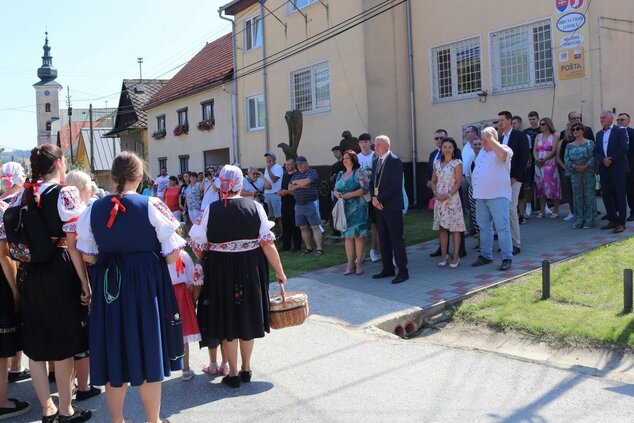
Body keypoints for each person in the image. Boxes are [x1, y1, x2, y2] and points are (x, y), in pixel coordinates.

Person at [76, 151, 185, 423]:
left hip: (110, 288)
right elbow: (172, 256)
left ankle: (117, 420)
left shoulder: (92, 209)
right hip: (146, 288)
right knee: (148, 350)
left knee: (116, 350)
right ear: (139, 176)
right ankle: (153, 420)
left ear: (113, 178)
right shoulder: (152, 205)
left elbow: (88, 256)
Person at [6, 145, 92, 422]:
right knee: (64, 342)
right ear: (58, 163)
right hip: (59, 271)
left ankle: (47, 408)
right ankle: (66, 409)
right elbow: (72, 242)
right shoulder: (65, 193)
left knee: (36, 342)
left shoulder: (21, 195)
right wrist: (84, 282)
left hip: (29, 274)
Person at [189, 165, 287, 388]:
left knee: (227, 318)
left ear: (221, 183)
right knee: (247, 316)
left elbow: (197, 246)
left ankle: (232, 373)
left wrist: (208, 253)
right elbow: (267, 244)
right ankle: (246, 368)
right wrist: (280, 272)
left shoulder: (210, 210)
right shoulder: (255, 207)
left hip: (220, 271)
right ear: (240, 185)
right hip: (249, 269)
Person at [63, 170, 102, 402]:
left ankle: (69, 379)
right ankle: (84, 385)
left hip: (62, 272)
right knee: (81, 328)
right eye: (89, 185)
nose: (92, 189)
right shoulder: (80, 213)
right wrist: (86, 282)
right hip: (79, 271)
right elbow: (77, 248)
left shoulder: (61, 209)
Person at [0, 163, 31, 420]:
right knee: (2, 343)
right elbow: (4, 256)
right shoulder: (4, 208)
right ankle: (2, 401)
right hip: (1, 280)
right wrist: (15, 289)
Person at [471, 127, 514, 271]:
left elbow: (502, 155)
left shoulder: (504, 148)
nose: (483, 142)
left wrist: (491, 139)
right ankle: (485, 255)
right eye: (482, 138)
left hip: (498, 196)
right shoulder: (482, 151)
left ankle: (507, 257)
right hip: (481, 196)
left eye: (486, 138)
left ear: (494, 138)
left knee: (502, 228)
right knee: (484, 227)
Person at [370, 135, 409, 284]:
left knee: (396, 239)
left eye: (379, 144)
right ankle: (387, 268)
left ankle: (403, 271)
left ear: (387, 146)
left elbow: (395, 185)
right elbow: (372, 182)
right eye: (375, 144)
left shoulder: (394, 161)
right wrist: (374, 199)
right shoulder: (376, 161)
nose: (376, 146)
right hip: (379, 207)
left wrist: (379, 199)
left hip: (392, 207)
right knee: (383, 239)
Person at [497, 111, 529, 256]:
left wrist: (515, 177)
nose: (500, 123)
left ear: (509, 121)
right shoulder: (500, 137)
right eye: (499, 121)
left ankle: (516, 243)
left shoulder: (519, 135)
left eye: (502, 120)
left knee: (511, 209)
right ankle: (506, 242)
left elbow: (524, 158)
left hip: (514, 179)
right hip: (501, 179)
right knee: (503, 211)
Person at [168, 249, 202, 381]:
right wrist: (192, 299)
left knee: (167, 331)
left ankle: (164, 367)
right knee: (183, 333)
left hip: (165, 294)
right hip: (181, 294)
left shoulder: (158, 253)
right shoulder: (182, 254)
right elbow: (191, 278)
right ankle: (186, 369)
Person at [431, 138, 465, 268]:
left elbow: (458, 183)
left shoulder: (457, 163)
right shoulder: (437, 163)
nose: (447, 149)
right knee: (442, 228)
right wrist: (436, 193)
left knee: (455, 228)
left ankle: (456, 256)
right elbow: (433, 181)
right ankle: (444, 255)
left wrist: (448, 195)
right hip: (439, 200)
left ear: (453, 148)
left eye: (450, 146)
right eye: (445, 146)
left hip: (452, 199)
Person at [334, 150, 369, 275]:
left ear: (353, 159)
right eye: (343, 158)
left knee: (358, 236)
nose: (345, 160)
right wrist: (337, 194)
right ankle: (350, 264)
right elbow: (335, 189)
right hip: (345, 210)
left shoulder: (359, 172)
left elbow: (365, 188)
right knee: (348, 237)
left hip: (358, 208)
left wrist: (351, 194)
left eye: (347, 158)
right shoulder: (340, 174)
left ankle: (359, 262)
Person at [595, 110, 629, 233]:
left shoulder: (620, 131)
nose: (602, 119)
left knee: (619, 195)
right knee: (606, 195)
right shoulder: (599, 134)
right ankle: (612, 219)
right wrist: (603, 159)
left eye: (604, 117)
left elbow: (624, 147)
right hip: (604, 168)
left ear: (611, 119)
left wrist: (612, 159)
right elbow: (596, 150)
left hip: (618, 168)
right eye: (600, 117)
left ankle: (621, 223)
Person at [559, 111, 596, 221]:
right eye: (572, 118)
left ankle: (590, 216)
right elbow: (563, 154)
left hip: (587, 170)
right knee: (575, 194)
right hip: (572, 170)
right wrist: (572, 167)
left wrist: (586, 166)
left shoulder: (588, 131)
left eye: (577, 117)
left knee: (588, 194)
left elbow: (593, 151)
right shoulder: (564, 136)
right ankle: (576, 215)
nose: (575, 120)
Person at [288, 156, 324, 256]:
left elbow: (307, 182)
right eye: (298, 165)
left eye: (301, 164)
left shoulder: (312, 172)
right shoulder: (296, 175)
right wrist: (300, 185)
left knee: (315, 226)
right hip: (298, 204)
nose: (299, 166)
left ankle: (319, 249)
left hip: (311, 203)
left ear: (306, 163)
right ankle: (308, 248)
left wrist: (297, 184)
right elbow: (290, 188)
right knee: (303, 227)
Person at [357, 133, 379, 262]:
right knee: (361, 224)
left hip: (374, 195)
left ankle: (373, 250)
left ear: (370, 142)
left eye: (366, 142)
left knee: (375, 223)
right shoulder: (357, 158)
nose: (364, 144)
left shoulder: (375, 156)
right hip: (360, 196)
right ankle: (361, 253)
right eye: (361, 142)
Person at [534, 118, 561, 218]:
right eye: (540, 124)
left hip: (550, 163)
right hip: (539, 164)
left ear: (548, 125)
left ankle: (556, 210)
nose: (541, 126)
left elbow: (554, 150)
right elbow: (534, 150)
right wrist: (537, 159)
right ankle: (542, 210)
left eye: (543, 124)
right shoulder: (538, 136)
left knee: (551, 185)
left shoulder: (555, 136)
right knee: (540, 186)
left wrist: (544, 159)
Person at [278, 159, 302, 251]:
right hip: (284, 203)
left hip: (294, 203)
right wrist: (280, 191)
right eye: (285, 164)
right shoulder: (284, 175)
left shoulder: (297, 176)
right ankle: (286, 246)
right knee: (286, 225)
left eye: (289, 164)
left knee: (295, 225)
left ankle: (297, 246)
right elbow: (283, 187)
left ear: (294, 165)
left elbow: (298, 191)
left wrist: (287, 192)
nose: (287, 166)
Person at [522, 111, 541, 219]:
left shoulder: (542, 130)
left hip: (541, 160)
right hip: (529, 161)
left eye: (533, 119)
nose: (532, 121)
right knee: (528, 185)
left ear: (538, 119)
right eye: (530, 119)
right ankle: (528, 206)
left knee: (540, 183)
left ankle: (545, 205)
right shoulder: (526, 132)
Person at [617, 113, 634, 221]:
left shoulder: (632, 133)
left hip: (630, 167)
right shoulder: (614, 133)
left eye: (622, 119)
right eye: (618, 119)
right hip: (616, 166)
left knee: (631, 190)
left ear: (628, 121)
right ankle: (614, 212)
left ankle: (633, 212)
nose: (619, 121)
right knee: (616, 191)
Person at [467, 138, 483, 249]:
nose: (477, 146)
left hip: (483, 191)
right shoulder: (471, 158)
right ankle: (479, 240)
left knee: (483, 215)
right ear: (472, 146)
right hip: (473, 191)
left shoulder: (484, 157)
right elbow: (468, 175)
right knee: (474, 214)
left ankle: (485, 241)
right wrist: (472, 185)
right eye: (475, 144)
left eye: (479, 144)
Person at [263, 152, 284, 233]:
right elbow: (266, 180)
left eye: (269, 157)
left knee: (279, 216)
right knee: (270, 217)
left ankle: (283, 234)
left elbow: (274, 179)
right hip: (267, 194)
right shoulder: (266, 168)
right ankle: (273, 234)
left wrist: (268, 169)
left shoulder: (278, 167)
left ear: (274, 159)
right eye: (266, 158)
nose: (267, 159)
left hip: (276, 195)